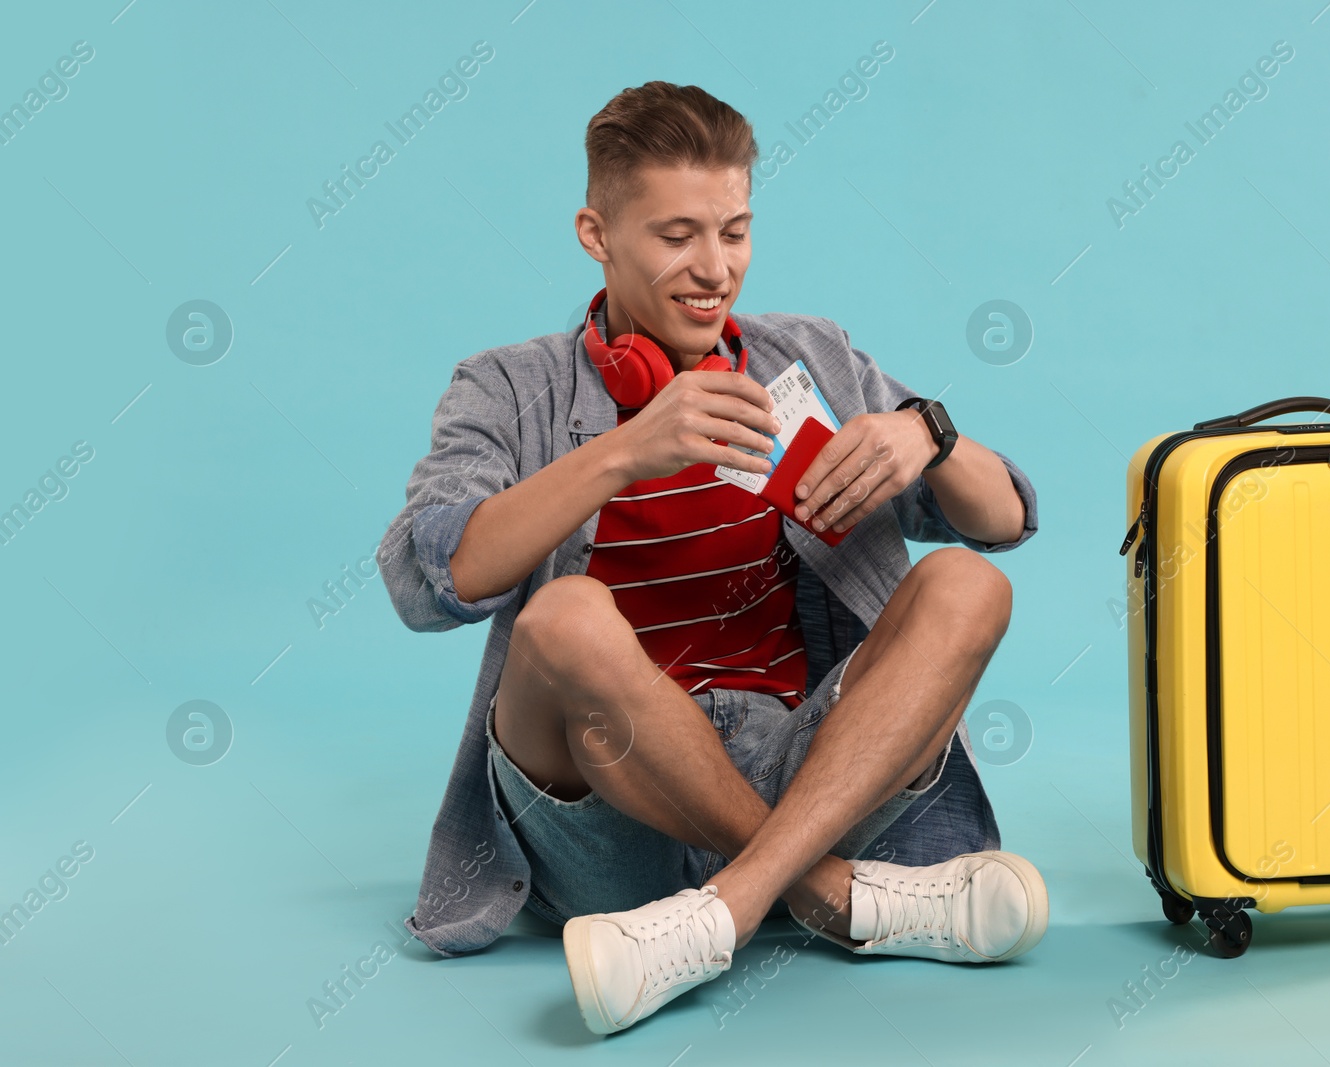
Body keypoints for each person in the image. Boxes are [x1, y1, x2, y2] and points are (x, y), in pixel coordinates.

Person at [377, 80, 1046, 1036]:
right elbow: (427, 579)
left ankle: (724, 911)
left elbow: (1005, 515)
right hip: (616, 807)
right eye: (676, 234)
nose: (714, 267)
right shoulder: (507, 387)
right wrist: (623, 452)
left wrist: (928, 432)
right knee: (560, 618)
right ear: (596, 234)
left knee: (968, 583)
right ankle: (834, 898)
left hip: (811, 765)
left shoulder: (803, 358)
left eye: (734, 231)